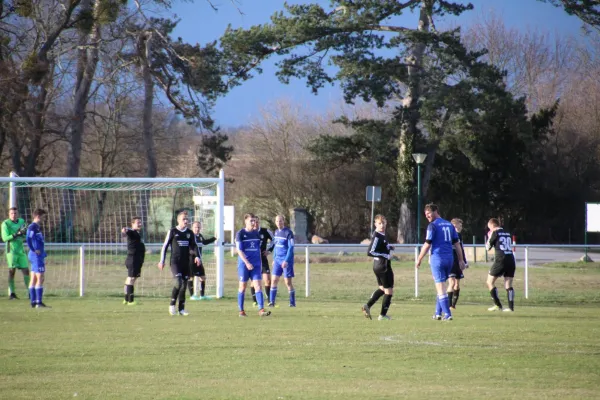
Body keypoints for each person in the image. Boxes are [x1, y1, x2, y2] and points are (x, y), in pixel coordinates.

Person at [416, 204, 466, 321]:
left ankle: (447, 314)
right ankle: (437, 313)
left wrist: (419, 258)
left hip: (437, 258)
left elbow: (427, 244)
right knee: (442, 285)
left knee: (440, 286)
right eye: (426, 214)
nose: (427, 216)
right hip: (449, 259)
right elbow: (457, 244)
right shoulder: (449, 224)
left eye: (429, 213)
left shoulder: (432, 226)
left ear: (435, 211)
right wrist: (460, 259)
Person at [158, 211, 200, 316]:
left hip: (186, 262)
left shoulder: (190, 233)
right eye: (184, 219)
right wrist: (161, 261)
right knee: (178, 282)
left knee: (184, 284)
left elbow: (194, 246)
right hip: (175, 262)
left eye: (187, 219)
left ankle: (181, 309)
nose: (186, 221)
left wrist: (197, 257)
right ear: (178, 220)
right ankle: (172, 305)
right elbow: (165, 246)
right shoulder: (172, 231)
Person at [236, 213, 270, 317]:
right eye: (251, 221)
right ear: (245, 221)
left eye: (255, 221)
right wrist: (247, 263)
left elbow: (258, 249)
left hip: (255, 265)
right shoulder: (240, 234)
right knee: (242, 287)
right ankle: (241, 311)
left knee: (258, 286)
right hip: (244, 265)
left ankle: (261, 309)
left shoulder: (256, 234)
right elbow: (239, 250)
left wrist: (259, 263)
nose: (254, 223)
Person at [362, 214, 394, 321]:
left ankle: (367, 305)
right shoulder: (377, 235)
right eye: (379, 223)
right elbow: (370, 251)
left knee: (382, 288)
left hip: (378, 266)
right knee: (388, 291)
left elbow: (380, 247)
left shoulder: (381, 234)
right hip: (382, 266)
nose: (382, 225)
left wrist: (388, 247)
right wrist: (386, 255)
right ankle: (382, 315)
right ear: (375, 224)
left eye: (383, 223)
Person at [485, 218, 516, 312]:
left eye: (489, 228)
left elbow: (487, 247)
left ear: (492, 226)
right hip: (510, 259)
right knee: (508, 284)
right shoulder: (507, 233)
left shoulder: (494, 233)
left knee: (489, 282)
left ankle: (498, 305)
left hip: (500, 259)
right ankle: (511, 307)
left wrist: (490, 236)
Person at [1, 207, 30, 299]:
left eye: (15, 213)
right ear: (9, 214)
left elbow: (25, 234)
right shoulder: (5, 224)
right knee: (12, 271)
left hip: (21, 250)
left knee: (26, 270)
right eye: (12, 213)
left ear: (18, 214)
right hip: (11, 251)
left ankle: (30, 292)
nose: (13, 215)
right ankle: (12, 293)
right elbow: (5, 238)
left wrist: (24, 234)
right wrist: (16, 234)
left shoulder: (21, 221)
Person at [269, 215, 295, 308]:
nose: (279, 223)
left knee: (287, 282)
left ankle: (292, 303)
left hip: (286, 260)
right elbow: (276, 247)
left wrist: (286, 260)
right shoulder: (276, 232)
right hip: (277, 260)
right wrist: (274, 258)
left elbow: (291, 247)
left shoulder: (288, 233)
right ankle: (271, 302)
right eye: (277, 221)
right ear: (275, 222)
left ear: (283, 221)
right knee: (274, 280)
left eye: (280, 221)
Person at [188, 221, 216, 300]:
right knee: (190, 277)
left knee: (203, 277)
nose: (197, 229)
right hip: (191, 259)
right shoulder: (190, 236)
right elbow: (190, 248)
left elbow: (204, 242)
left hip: (199, 260)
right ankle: (192, 296)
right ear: (192, 228)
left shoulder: (199, 236)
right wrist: (195, 256)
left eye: (198, 227)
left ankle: (202, 295)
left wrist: (214, 238)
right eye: (195, 227)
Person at [26, 209, 48, 308]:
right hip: (36, 256)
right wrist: (34, 249)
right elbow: (28, 239)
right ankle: (38, 302)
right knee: (40, 277)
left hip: (38, 255)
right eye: (43, 216)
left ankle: (33, 302)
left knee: (34, 277)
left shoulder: (37, 227)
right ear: (38, 216)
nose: (44, 218)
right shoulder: (32, 227)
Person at [121, 216, 145, 305]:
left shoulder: (137, 233)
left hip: (136, 259)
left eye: (140, 222)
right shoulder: (132, 232)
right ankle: (131, 300)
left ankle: (126, 299)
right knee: (131, 278)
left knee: (131, 278)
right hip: (133, 259)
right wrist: (124, 230)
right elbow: (126, 230)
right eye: (138, 222)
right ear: (133, 223)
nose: (140, 224)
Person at [250, 216, 273, 307]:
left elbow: (274, 240)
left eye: (257, 222)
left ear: (259, 222)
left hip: (263, 259)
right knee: (254, 281)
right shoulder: (249, 232)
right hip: (253, 259)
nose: (255, 224)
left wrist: (269, 250)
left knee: (267, 280)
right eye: (253, 222)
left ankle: (269, 301)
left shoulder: (265, 231)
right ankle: (255, 301)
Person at [448, 218, 468, 310]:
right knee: (451, 282)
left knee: (457, 284)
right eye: (460, 225)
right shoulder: (449, 234)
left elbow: (461, 249)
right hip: (451, 261)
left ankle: (453, 305)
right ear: (455, 225)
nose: (461, 227)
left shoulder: (459, 235)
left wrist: (464, 261)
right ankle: (448, 304)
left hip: (458, 262)